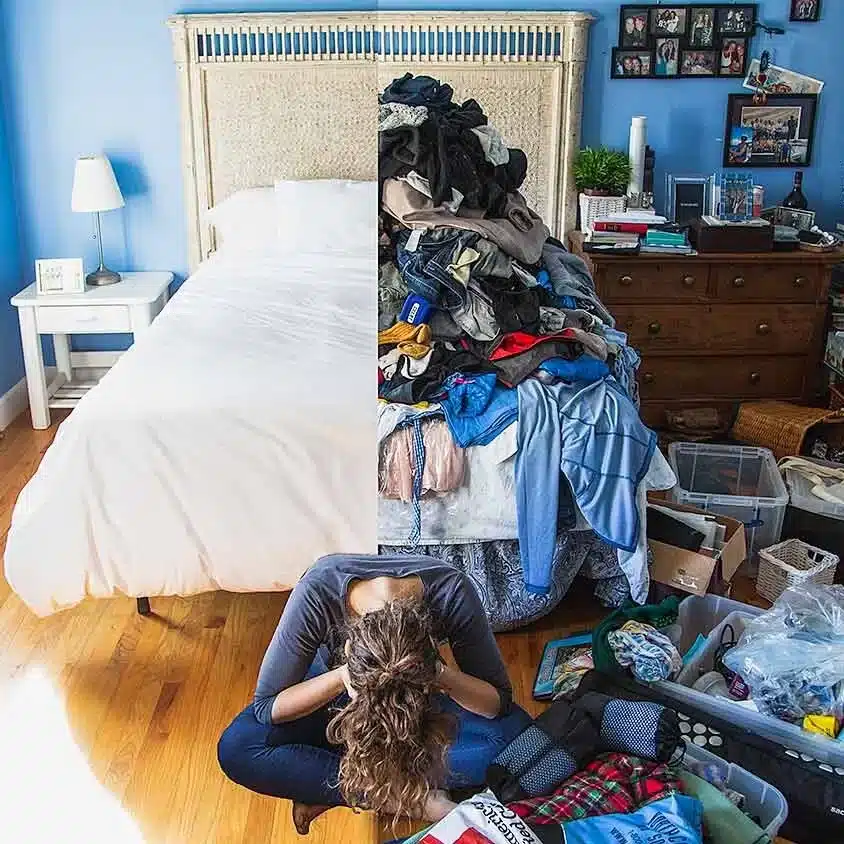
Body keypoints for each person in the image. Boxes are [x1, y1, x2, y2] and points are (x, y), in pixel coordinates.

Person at [216, 554, 532, 834]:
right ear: (348, 648)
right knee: (238, 748)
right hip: (332, 698)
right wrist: (341, 677)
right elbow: (267, 707)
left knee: (518, 739)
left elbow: (498, 702)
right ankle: (408, 800)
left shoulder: (451, 591)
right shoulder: (318, 590)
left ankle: (328, 780)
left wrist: (440, 675)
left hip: (416, 711)